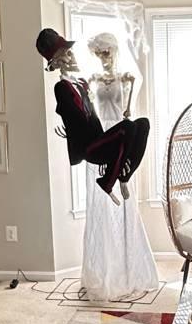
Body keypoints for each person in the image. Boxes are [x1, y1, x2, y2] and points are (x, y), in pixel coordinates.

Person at [80, 32, 158, 300]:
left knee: (126, 210)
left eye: (107, 52)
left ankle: (128, 271)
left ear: (114, 52)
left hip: (123, 136)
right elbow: (89, 116)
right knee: (102, 210)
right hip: (106, 136)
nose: (103, 58)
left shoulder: (127, 78)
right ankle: (104, 271)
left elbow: (129, 112)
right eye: (99, 53)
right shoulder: (91, 81)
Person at [35, 27, 149, 205]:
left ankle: (124, 175)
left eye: (70, 51)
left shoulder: (80, 83)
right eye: (65, 54)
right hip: (89, 148)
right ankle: (107, 181)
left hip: (99, 139)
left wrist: (109, 139)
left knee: (143, 124)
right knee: (128, 127)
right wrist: (71, 131)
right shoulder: (62, 87)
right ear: (56, 63)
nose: (71, 56)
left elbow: (90, 117)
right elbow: (75, 119)